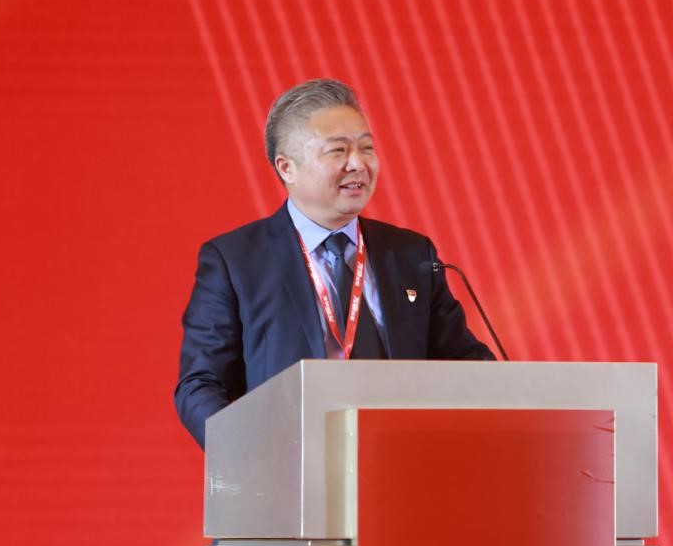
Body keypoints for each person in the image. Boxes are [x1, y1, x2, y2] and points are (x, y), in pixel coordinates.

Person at [175, 79, 494, 447]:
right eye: (338, 150)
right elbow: (200, 384)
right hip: (290, 465)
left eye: (367, 148)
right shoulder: (236, 262)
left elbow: (462, 360)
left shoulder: (410, 254)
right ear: (287, 168)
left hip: (401, 459)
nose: (358, 163)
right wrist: (247, 455)